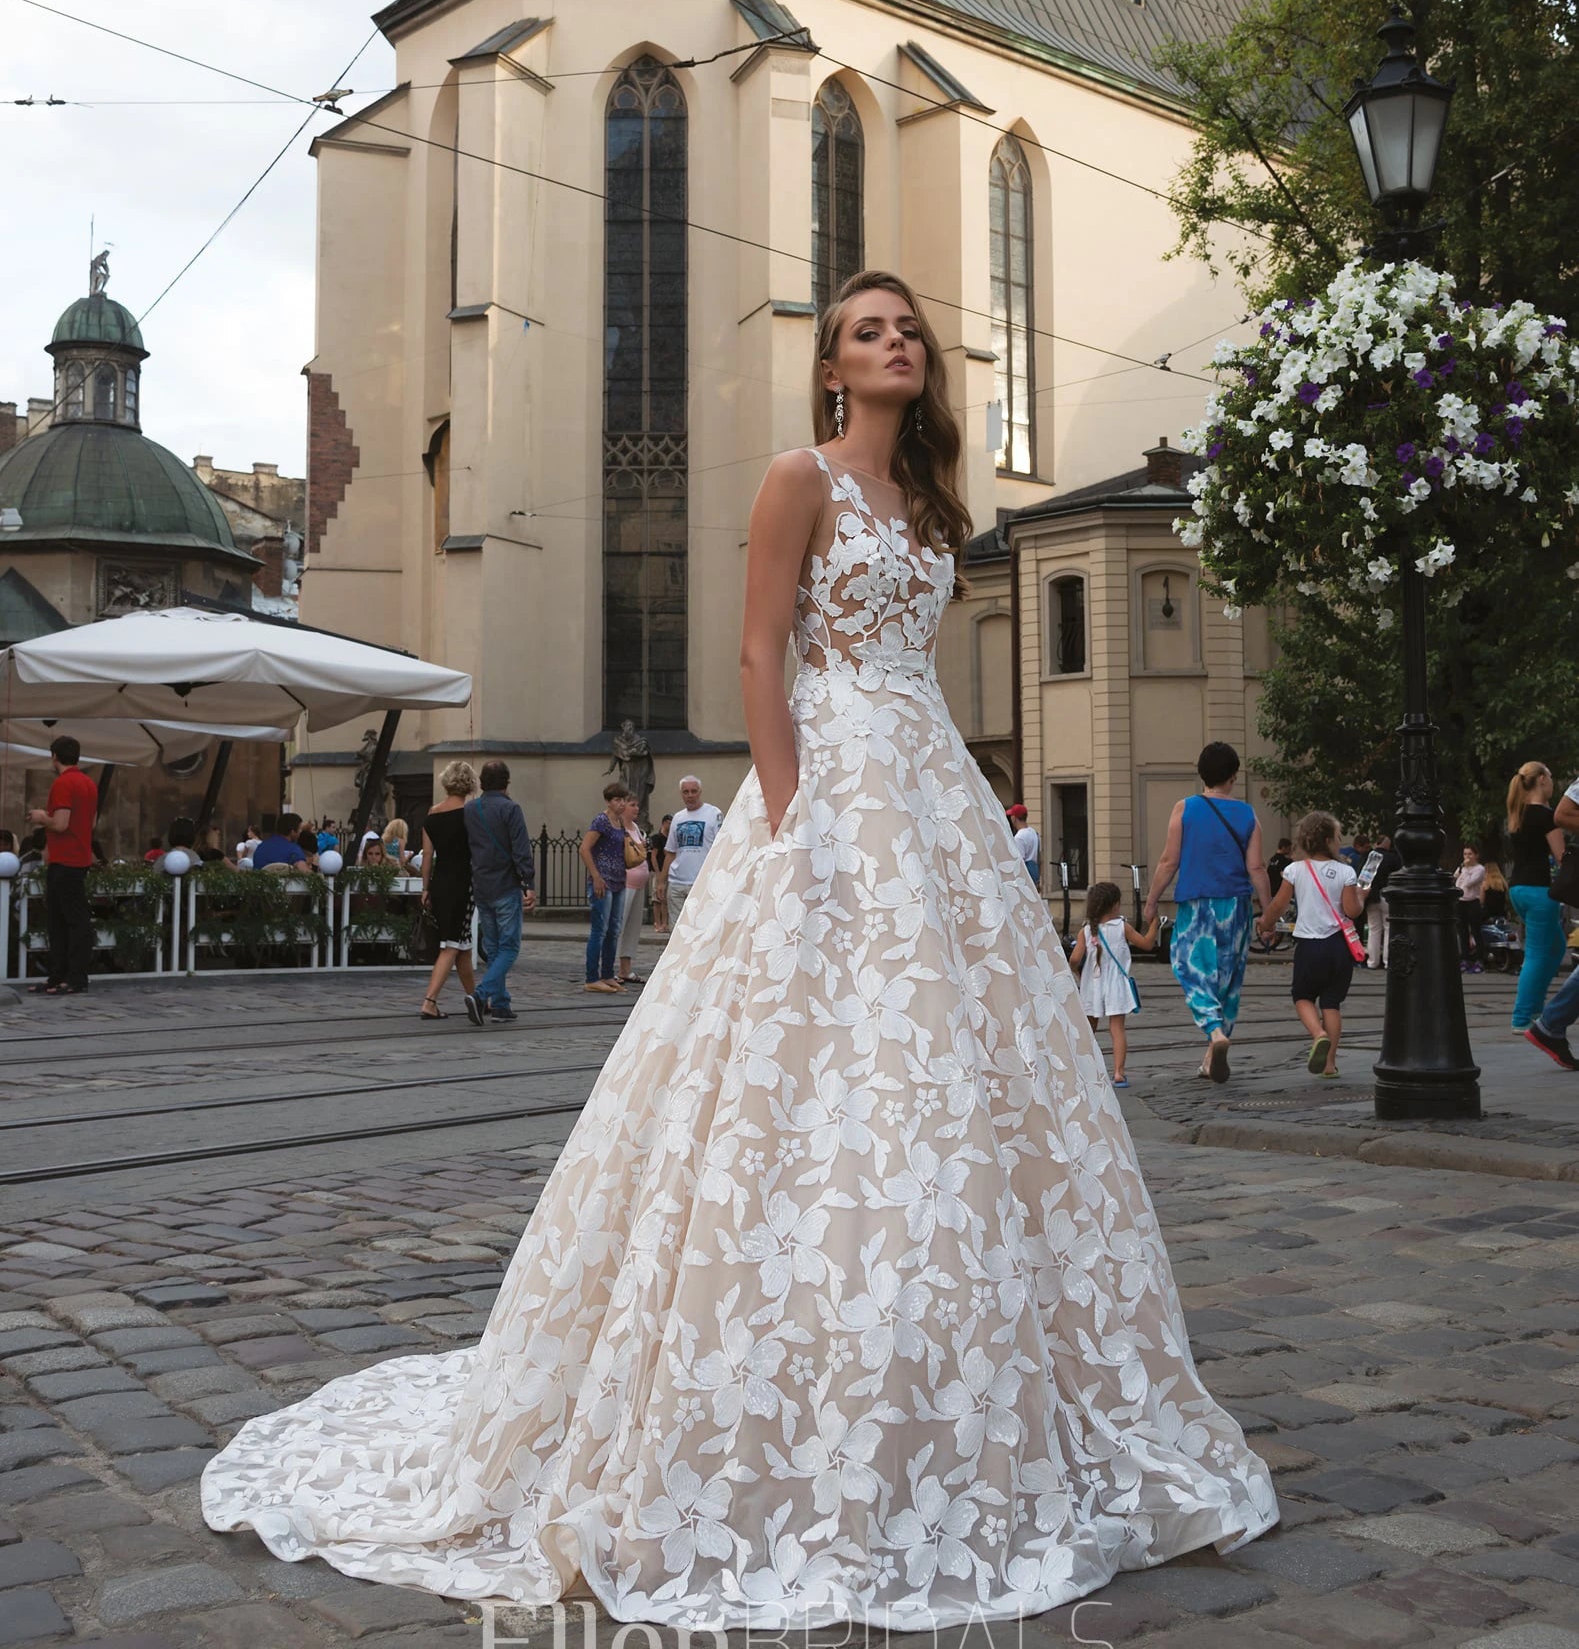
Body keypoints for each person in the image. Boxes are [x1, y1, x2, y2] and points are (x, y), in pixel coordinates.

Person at [203, 266, 1275, 1625]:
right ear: (830, 367)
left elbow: (911, 669)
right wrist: (795, 817)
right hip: (826, 776)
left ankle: (958, 1376)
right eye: (864, 331)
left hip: (924, 784)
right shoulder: (798, 478)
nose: (891, 343)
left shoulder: (933, 505)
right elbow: (761, 655)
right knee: (785, 1059)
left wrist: (945, 798)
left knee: (944, 1074)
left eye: (906, 330)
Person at [1144, 741, 1272, 1084]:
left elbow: (1169, 860)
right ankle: (1209, 1058)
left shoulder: (1184, 809)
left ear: (1201, 774)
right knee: (1228, 981)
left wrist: (1152, 899)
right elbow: (1257, 868)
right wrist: (1268, 913)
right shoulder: (1248, 815)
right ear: (1233, 776)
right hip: (1237, 909)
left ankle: (1215, 1034)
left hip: (1197, 906)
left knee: (1191, 968)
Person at [1261, 810, 1365, 1078]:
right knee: (1331, 1003)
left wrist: (1266, 924)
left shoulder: (1294, 870)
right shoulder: (1346, 871)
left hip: (1309, 946)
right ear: (1331, 840)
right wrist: (1362, 896)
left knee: (1303, 996)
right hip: (1339, 948)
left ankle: (1318, 1034)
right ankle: (1329, 1064)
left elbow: (1279, 905)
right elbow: (1352, 912)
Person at [465, 761, 537, 1023]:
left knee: (493, 948)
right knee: (509, 947)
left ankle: (501, 1003)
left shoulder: (471, 809)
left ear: (482, 782)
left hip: (481, 884)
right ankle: (481, 994)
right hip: (505, 885)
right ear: (507, 781)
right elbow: (520, 849)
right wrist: (528, 883)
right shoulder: (511, 809)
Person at [26, 735, 97, 997]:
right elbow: (90, 823)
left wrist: (40, 817)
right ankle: (59, 976)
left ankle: (73, 977)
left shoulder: (63, 784)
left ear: (54, 756)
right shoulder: (88, 783)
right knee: (62, 920)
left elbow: (61, 823)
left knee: (67, 922)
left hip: (65, 859)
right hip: (77, 858)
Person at [1072, 880, 1158, 1087]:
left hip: (1091, 986)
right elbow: (1146, 944)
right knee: (1117, 1029)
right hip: (1115, 986)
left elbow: (1074, 960)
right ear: (1115, 906)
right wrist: (1155, 924)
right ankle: (1119, 1073)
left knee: (1088, 1029)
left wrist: (1078, 974)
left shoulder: (1085, 931)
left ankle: (1083, 1068)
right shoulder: (1122, 927)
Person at [1505, 761, 1567, 1032]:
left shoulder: (1518, 814)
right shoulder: (1546, 816)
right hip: (1540, 891)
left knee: (1556, 948)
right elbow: (1562, 857)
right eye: (1551, 777)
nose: (1553, 783)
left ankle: (1536, 1007)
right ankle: (1522, 1018)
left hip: (1518, 889)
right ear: (1542, 779)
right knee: (1538, 955)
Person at [418, 762, 482, 1022]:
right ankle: (430, 1001)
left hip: (440, 881)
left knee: (462, 945)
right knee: (452, 945)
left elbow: (427, 856)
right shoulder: (471, 814)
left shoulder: (432, 814)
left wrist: (425, 888)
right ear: (470, 784)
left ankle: (476, 998)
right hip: (462, 882)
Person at [579, 783, 632, 994]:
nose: (621, 804)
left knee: (614, 929)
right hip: (603, 881)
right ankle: (592, 977)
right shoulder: (601, 821)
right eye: (617, 800)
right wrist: (596, 875)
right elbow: (584, 848)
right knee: (599, 930)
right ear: (609, 801)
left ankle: (608, 974)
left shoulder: (620, 822)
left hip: (619, 880)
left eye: (623, 800)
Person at [659, 775, 722, 922]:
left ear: (700, 792)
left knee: (701, 928)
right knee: (676, 931)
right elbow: (670, 852)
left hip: (702, 882)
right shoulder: (678, 818)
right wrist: (662, 881)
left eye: (694, 791)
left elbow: (720, 849)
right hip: (677, 884)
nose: (690, 795)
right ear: (681, 794)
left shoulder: (714, 814)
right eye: (686, 792)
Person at [614, 798, 650, 985]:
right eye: (633, 805)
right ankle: (607, 968)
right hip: (625, 882)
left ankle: (625, 968)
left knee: (633, 928)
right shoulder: (618, 828)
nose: (637, 808)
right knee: (618, 925)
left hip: (639, 883)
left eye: (637, 804)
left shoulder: (636, 827)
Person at [1364, 832, 1402, 970]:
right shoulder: (1393, 858)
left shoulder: (1371, 857)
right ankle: (1387, 961)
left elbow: (1364, 879)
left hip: (1371, 897)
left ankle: (1372, 961)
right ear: (1387, 844)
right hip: (1387, 896)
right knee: (1388, 928)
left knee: (1374, 929)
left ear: (1377, 843)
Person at [1456, 844, 1487, 972]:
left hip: (1473, 901)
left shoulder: (1479, 869)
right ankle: (1465, 958)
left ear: (1476, 855)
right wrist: (1462, 868)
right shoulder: (1463, 868)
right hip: (1461, 902)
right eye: (1465, 854)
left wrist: (1467, 870)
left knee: (1475, 931)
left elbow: (1469, 883)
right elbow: (1456, 880)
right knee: (1463, 932)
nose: (1467, 857)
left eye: (1470, 854)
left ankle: (1479, 960)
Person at [1007, 802, 1041, 889]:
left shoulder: (1019, 837)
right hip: (1034, 871)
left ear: (1014, 818)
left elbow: (1019, 861)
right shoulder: (1034, 833)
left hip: (1025, 875)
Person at [648, 813, 672, 931]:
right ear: (663, 823)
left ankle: (665, 923)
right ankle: (657, 922)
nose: (670, 825)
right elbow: (653, 855)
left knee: (665, 899)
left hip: (668, 871)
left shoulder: (670, 839)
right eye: (668, 822)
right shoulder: (657, 838)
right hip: (659, 870)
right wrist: (657, 872)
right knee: (657, 899)